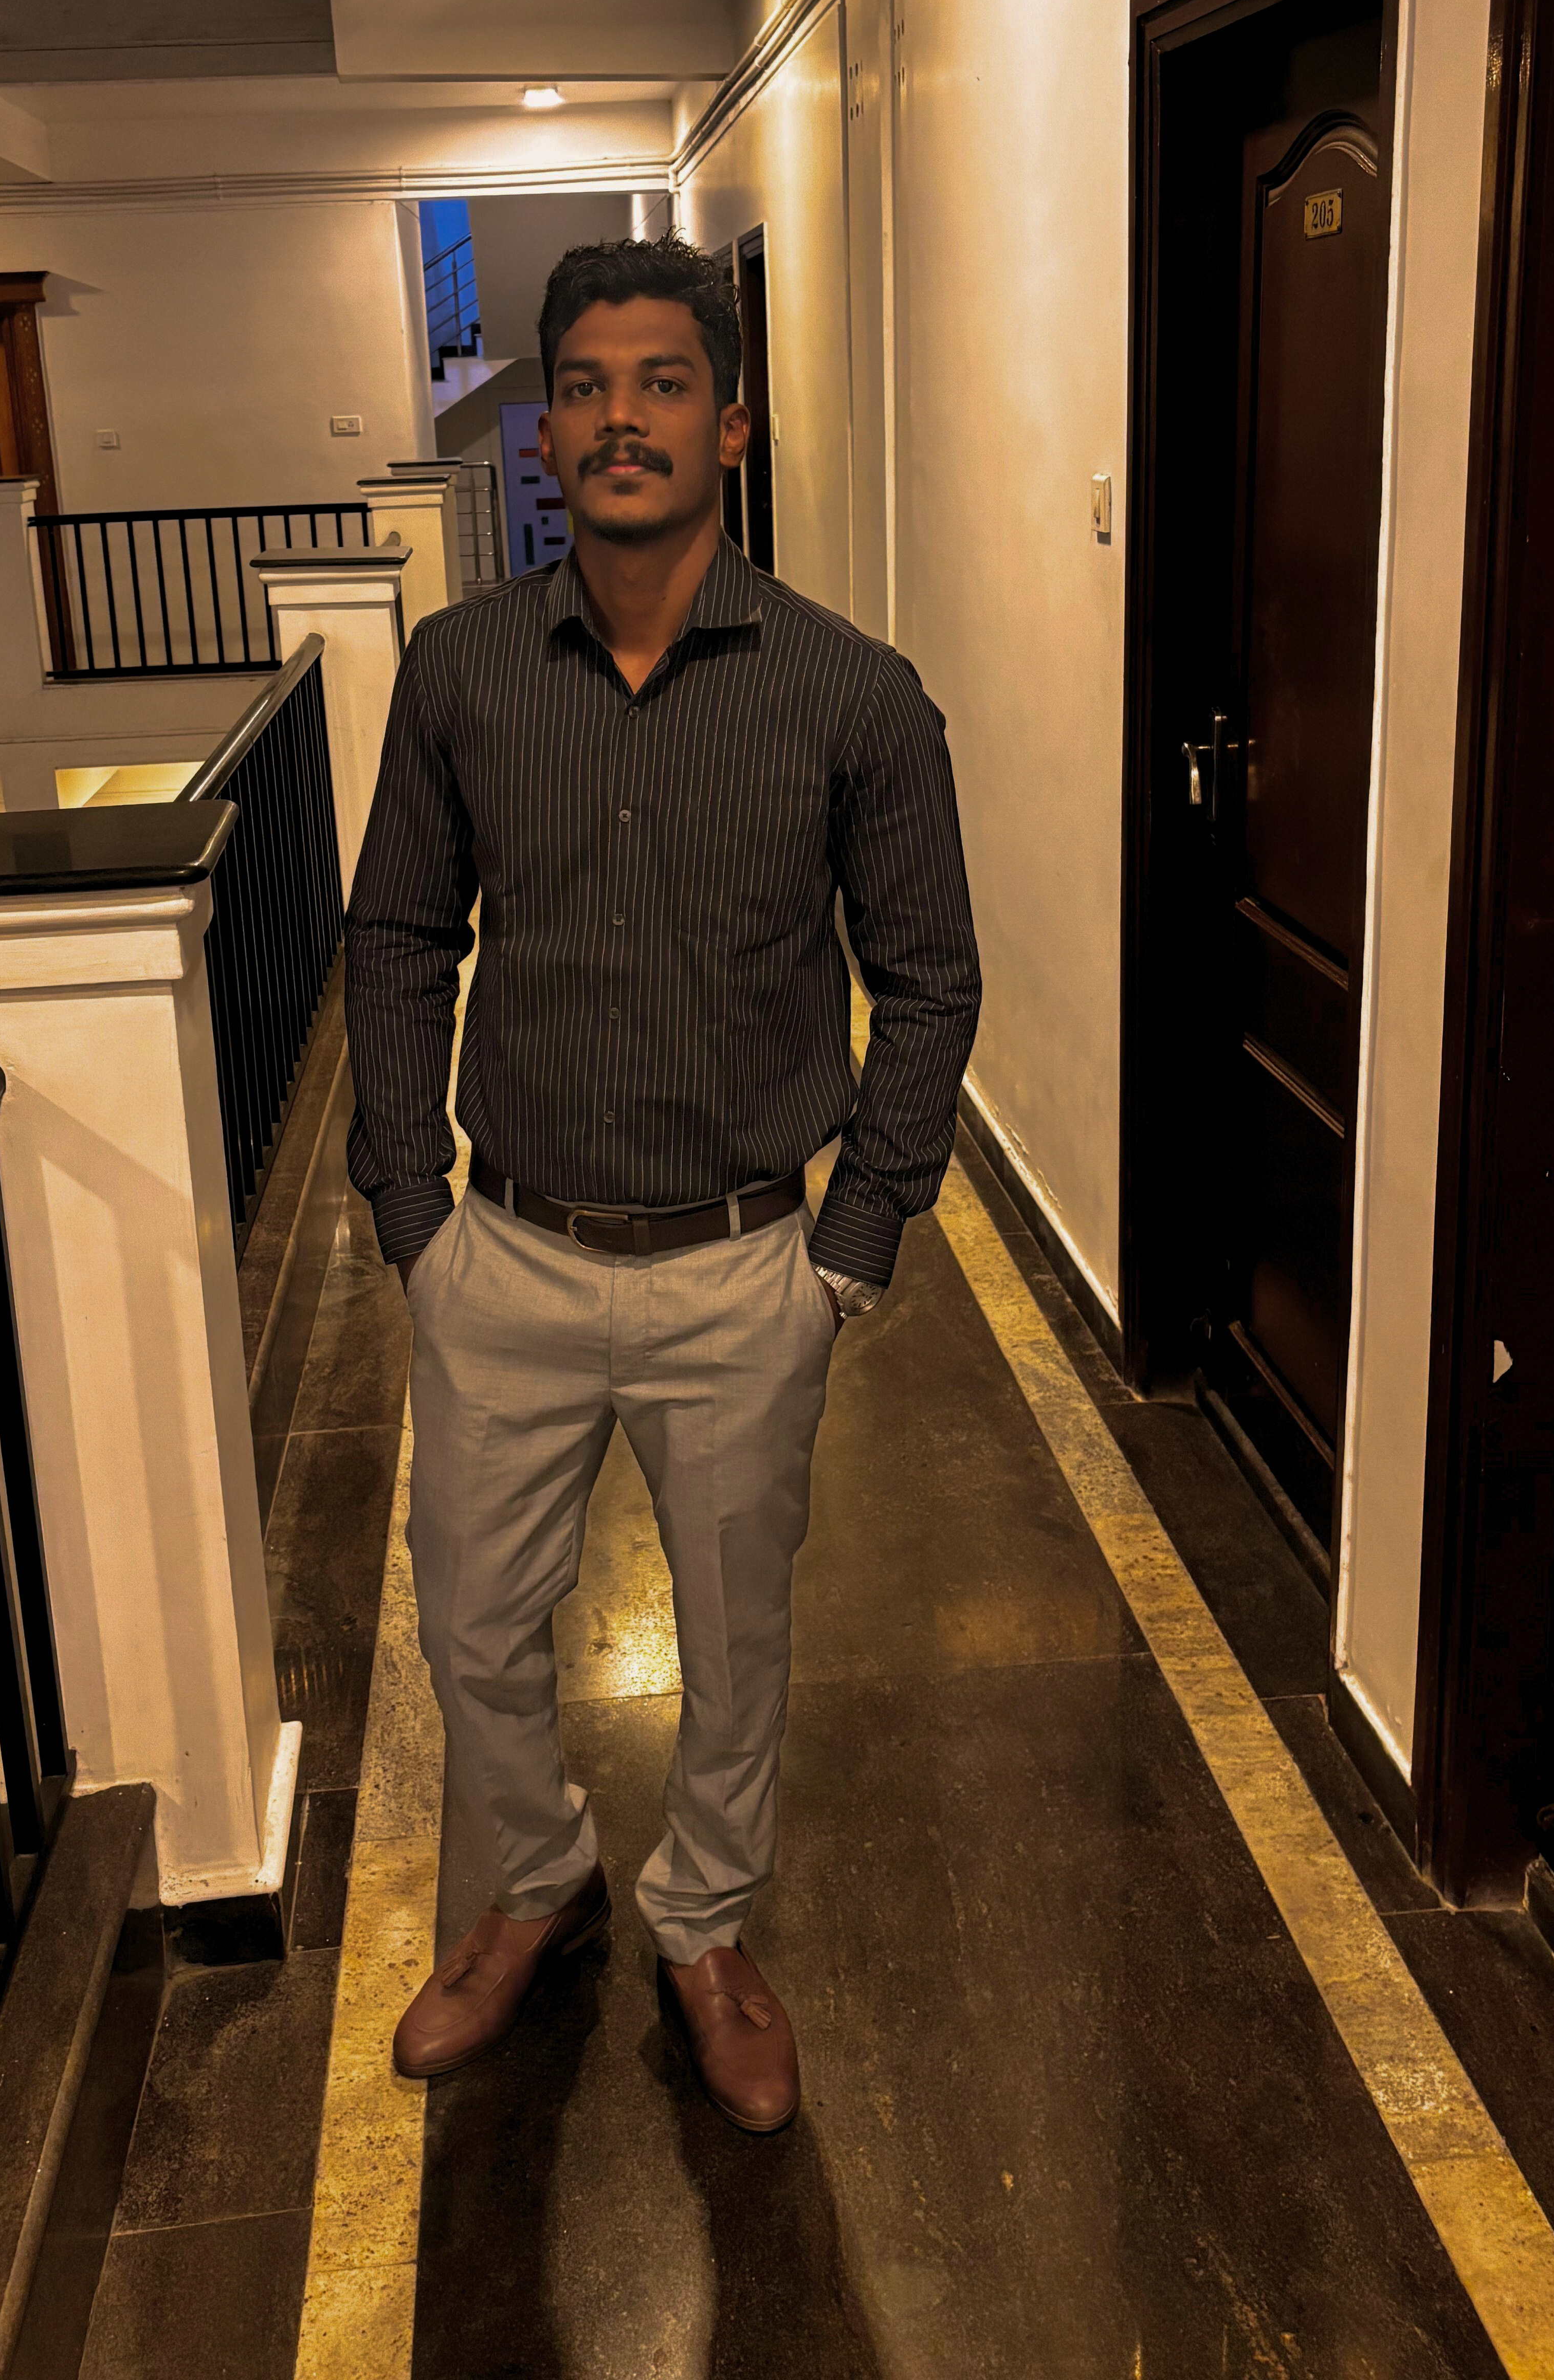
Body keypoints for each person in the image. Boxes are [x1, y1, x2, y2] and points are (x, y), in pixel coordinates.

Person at [346, 232, 980, 2134]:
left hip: (741, 1269)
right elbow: (397, 940)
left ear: (731, 422)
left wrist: (853, 1241)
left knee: (734, 1643)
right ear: (546, 428)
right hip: (507, 1255)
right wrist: (411, 1212)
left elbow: (929, 978)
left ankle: (704, 1923)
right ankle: (537, 1884)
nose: (623, 419)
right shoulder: (461, 673)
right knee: (470, 1624)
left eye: (664, 383)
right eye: (588, 387)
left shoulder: (854, 695)